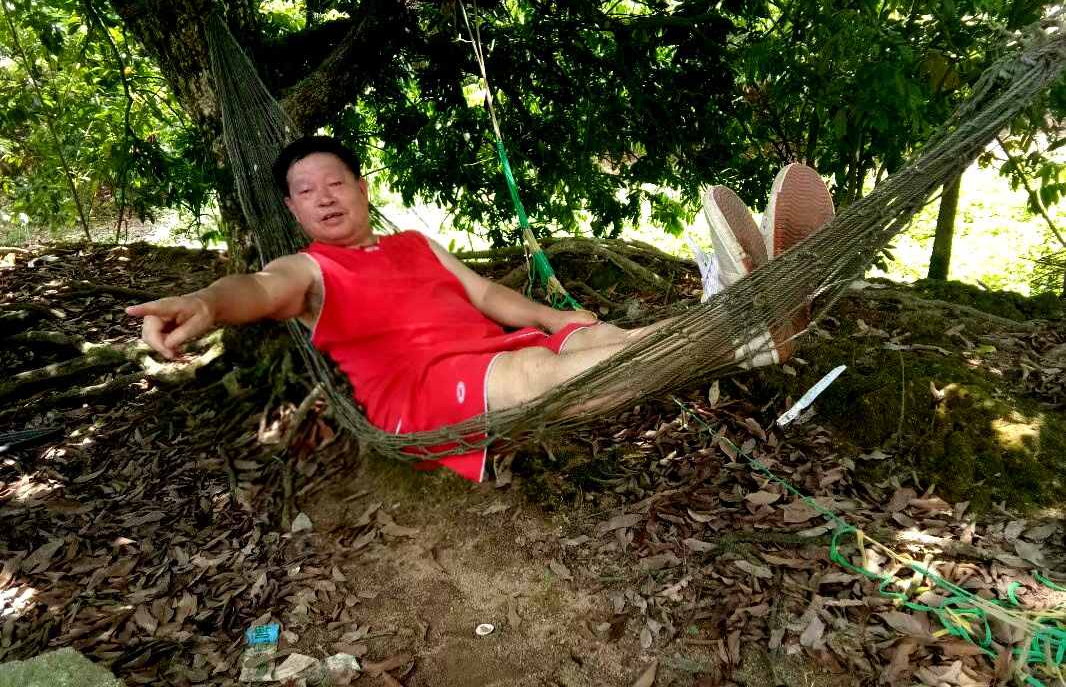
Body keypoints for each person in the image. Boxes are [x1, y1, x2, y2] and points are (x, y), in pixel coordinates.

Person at [127, 136, 833, 480]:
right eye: (306, 192)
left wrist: (557, 319)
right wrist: (204, 303)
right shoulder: (306, 271)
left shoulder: (415, 244)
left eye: (335, 182)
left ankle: (752, 321)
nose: (324, 198)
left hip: (492, 353)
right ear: (292, 209)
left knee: (611, 338)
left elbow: (487, 295)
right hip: (420, 395)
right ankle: (742, 313)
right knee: (537, 374)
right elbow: (254, 290)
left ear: (362, 187)